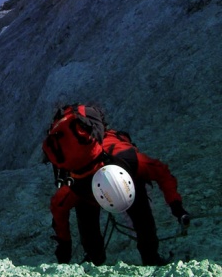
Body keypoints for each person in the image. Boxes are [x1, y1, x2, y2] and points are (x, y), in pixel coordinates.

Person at [43, 105, 190, 266]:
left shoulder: (128, 163)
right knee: (141, 215)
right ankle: (150, 257)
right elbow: (163, 174)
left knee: (87, 219)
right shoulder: (130, 164)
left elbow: (58, 208)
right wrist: (177, 208)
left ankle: (94, 260)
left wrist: (64, 247)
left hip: (91, 187)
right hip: (92, 185)